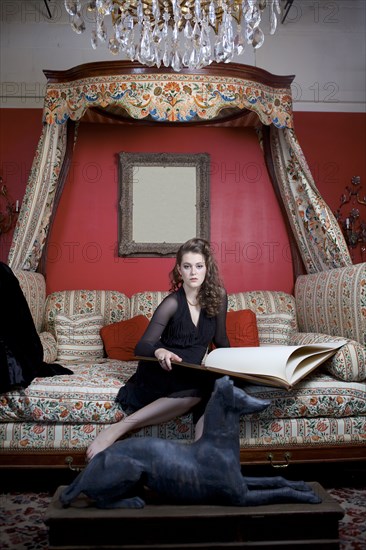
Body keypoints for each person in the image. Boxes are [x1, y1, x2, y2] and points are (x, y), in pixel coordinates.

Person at [86, 237, 230, 461]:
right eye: (187, 266)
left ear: (207, 268)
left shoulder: (219, 298)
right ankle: (118, 428)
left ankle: (200, 457)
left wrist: (239, 363)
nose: (193, 272)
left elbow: (221, 340)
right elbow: (142, 345)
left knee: (216, 385)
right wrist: (159, 351)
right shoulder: (172, 303)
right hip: (163, 370)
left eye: (199, 266)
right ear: (179, 270)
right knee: (204, 388)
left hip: (191, 372)